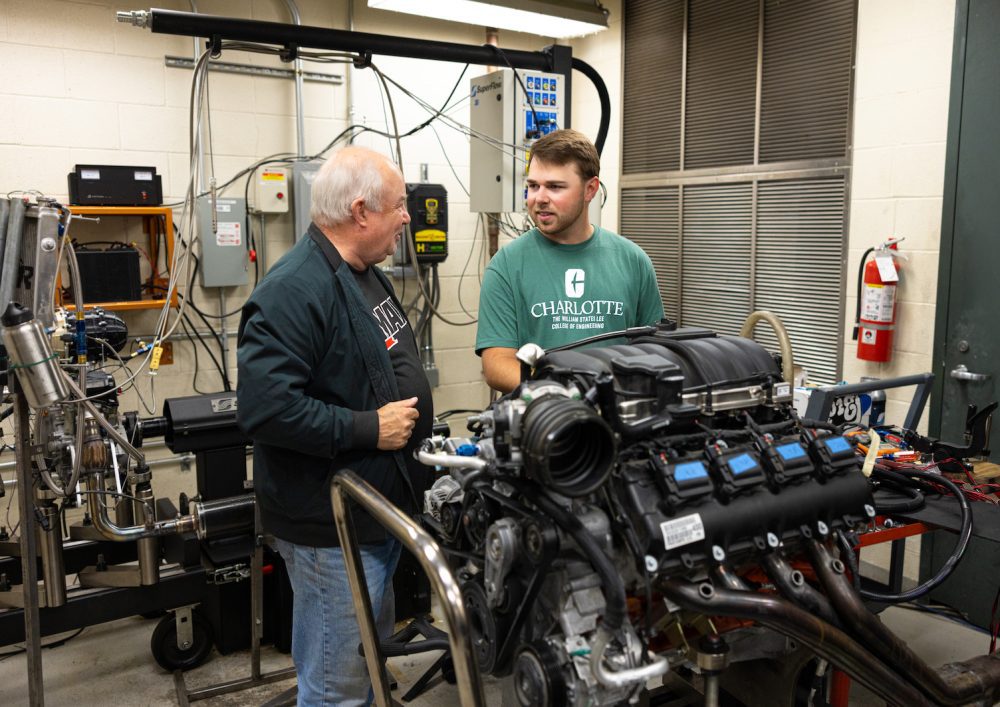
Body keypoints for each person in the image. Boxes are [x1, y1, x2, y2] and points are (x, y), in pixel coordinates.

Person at [236, 146, 433, 706]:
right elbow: (267, 409)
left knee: (367, 666)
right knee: (337, 687)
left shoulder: (364, 275)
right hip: (330, 528)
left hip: (375, 515)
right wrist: (368, 428)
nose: (406, 217)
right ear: (361, 210)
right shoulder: (293, 290)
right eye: (398, 206)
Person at [476, 129, 664, 393]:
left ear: (590, 190)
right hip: (542, 422)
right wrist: (561, 390)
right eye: (533, 186)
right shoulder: (506, 265)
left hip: (618, 423)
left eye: (554, 187)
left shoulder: (633, 261)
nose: (539, 198)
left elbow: (655, 352)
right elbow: (496, 365)